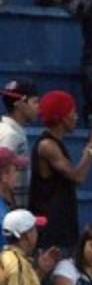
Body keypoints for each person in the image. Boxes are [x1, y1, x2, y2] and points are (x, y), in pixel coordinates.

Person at [29, 91, 92, 251]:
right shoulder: (47, 146)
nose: (76, 117)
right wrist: (91, 146)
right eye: (72, 112)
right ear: (62, 118)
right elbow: (78, 176)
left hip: (63, 229)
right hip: (51, 235)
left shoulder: (56, 144)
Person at [0, 79, 38, 207]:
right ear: (20, 104)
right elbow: (2, 175)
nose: (38, 107)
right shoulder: (10, 135)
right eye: (35, 102)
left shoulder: (7, 129)